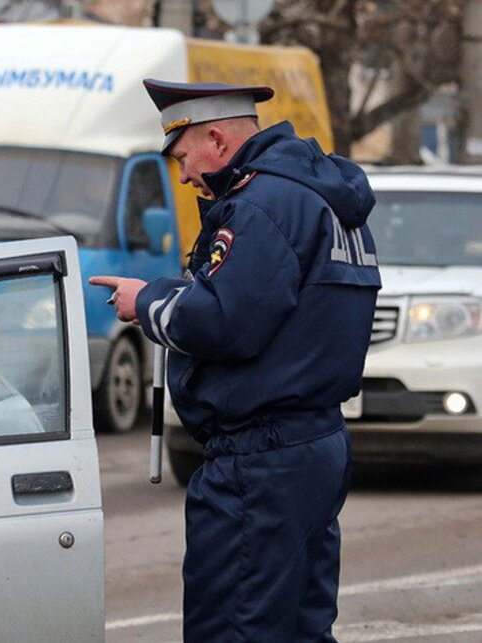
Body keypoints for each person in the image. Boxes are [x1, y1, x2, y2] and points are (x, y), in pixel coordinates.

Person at [91, 82, 380, 642]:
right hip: (311, 443)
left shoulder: (261, 204)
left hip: (259, 457)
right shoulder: (321, 194)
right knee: (300, 628)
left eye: (181, 157)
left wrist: (146, 302)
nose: (181, 176)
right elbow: (273, 304)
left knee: (232, 628)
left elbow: (225, 322)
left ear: (216, 138)